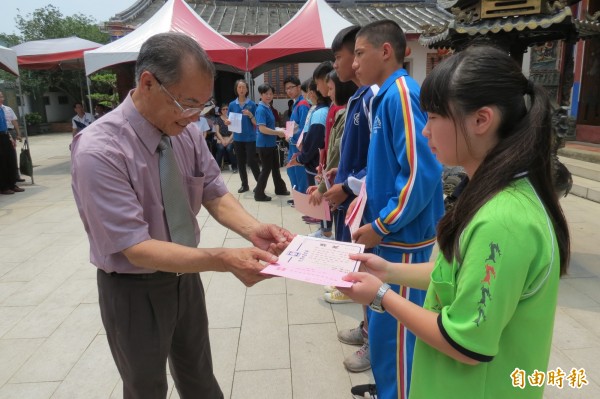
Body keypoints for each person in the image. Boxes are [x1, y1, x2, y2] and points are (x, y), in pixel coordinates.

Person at [339, 45, 571, 399]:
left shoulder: (503, 220)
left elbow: (465, 342)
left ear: (481, 120)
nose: (425, 131)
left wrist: (382, 296)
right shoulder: (489, 192)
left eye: (433, 117)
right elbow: (454, 276)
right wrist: (386, 271)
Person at [71, 32, 293, 399]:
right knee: (146, 387)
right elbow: (135, 246)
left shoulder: (184, 133)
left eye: (202, 106)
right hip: (132, 289)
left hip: (185, 276)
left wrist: (255, 230)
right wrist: (222, 259)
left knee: (199, 378)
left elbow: (213, 192)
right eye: (187, 103)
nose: (194, 117)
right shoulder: (100, 150)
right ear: (147, 83)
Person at [348, 20, 444, 399]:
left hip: (401, 237)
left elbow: (422, 170)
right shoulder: (385, 95)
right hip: (393, 234)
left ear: (385, 51)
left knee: (398, 336)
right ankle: (388, 388)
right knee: (386, 331)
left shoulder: (402, 93)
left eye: (359, 53)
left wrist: (383, 224)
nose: (354, 64)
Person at [321, 26, 378, 379]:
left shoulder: (376, 98)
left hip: (366, 205)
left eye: (352, 55)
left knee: (373, 273)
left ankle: (376, 341)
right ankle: (367, 326)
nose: (348, 64)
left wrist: (349, 186)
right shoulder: (357, 100)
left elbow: (381, 162)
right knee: (358, 270)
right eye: (349, 56)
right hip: (352, 200)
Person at [254, 84, 289, 202]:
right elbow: (262, 129)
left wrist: (278, 130)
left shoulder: (267, 107)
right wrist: (277, 133)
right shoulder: (261, 109)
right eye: (266, 94)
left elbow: (269, 126)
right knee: (266, 169)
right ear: (261, 95)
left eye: (270, 93)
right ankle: (259, 194)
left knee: (275, 167)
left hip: (270, 143)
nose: (269, 96)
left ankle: (280, 189)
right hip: (264, 144)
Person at [229, 80, 261, 193]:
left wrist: (250, 115)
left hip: (250, 138)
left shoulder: (252, 104)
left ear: (247, 89)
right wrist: (228, 122)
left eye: (243, 87)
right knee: (240, 162)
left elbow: (257, 122)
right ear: (236, 89)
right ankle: (244, 185)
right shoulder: (232, 105)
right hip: (237, 138)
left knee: (252, 161)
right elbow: (230, 120)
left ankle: (260, 184)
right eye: (239, 87)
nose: (241, 89)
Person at [283, 76, 310, 199]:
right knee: (291, 171)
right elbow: (293, 124)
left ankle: (302, 199)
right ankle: (297, 197)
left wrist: (292, 137)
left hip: (298, 146)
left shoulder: (303, 104)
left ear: (299, 87)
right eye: (286, 88)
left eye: (291, 87)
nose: (289, 91)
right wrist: (287, 133)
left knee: (299, 173)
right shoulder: (295, 104)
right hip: (292, 144)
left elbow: (304, 127)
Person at [0, 91, 25, 183]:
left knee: (12, 154)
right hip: (1, 134)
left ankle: (15, 176)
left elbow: (14, 121)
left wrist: (18, 133)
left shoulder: (7, 109)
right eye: (0, 97)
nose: (2, 98)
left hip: (10, 132)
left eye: (2, 96)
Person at [214, 103, 237, 172]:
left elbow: (234, 131)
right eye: (223, 109)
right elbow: (217, 132)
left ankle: (234, 167)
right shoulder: (217, 119)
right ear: (221, 110)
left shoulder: (232, 119)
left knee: (229, 149)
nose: (225, 110)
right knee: (220, 148)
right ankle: (217, 168)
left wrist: (228, 140)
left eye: (227, 109)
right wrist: (222, 140)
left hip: (230, 138)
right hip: (221, 138)